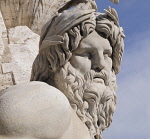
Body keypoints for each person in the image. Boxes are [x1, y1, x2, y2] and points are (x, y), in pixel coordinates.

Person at [0, 1, 125, 139]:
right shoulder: (47, 102)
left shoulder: (75, 123)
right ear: (55, 60)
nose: (100, 64)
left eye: (107, 55)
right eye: (87, 53)